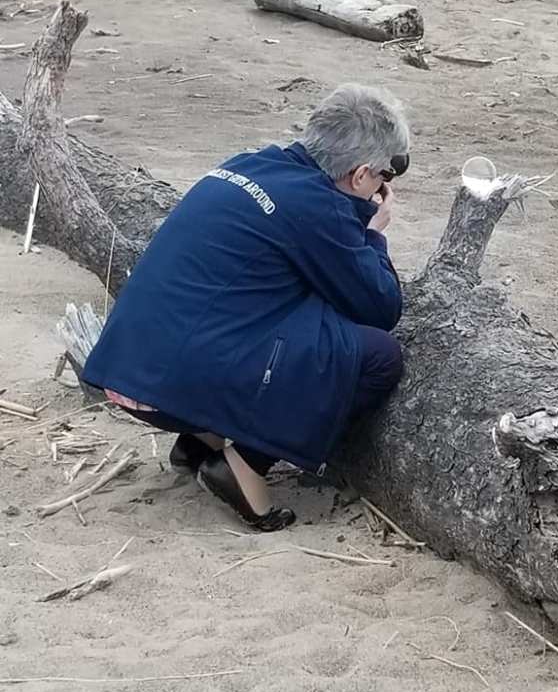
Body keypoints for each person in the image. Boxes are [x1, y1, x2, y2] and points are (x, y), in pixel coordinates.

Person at [83, 84, 409, 531]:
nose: (384, 185)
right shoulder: (318, 206)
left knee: (274, 315)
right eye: (385, 175)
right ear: (359, 176)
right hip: (170, 384)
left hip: (126, 370)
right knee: (377, 356)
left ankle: (202, 440)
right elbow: (380, 306)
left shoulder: (248, 164)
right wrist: (373, 233)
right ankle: (243, 466)